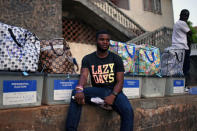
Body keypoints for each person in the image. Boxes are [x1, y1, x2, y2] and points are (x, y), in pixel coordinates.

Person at [65, 30, 134, 131]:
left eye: (107, 40)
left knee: (128, 112)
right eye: (102, 39)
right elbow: (84, 75)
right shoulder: (88, 58)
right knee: (75, 94)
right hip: (98, 91)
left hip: (114, 92)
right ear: (96, 41)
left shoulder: (116, 59)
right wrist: (79, 89)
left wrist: (112, 96)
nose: (105, 42)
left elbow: (120, 82)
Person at [172, 9, 192, 81]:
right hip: (182, 47)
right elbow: (190, 32)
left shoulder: (177, 23)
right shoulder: (182, 23)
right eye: (186, 16)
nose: (186, 18)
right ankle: (185, 84)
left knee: (179, 67)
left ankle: (180, 84)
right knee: (185, 67)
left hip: (176, 47)